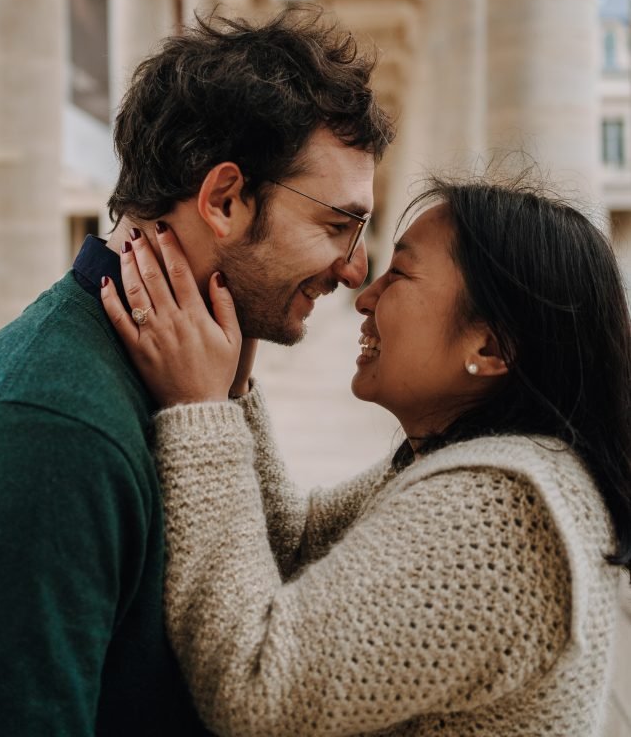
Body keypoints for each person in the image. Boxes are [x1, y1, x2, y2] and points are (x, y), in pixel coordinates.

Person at [0, 9, 393, 736]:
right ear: (223, 200)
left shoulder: (183, 384)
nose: (354, 270)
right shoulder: (50, 432)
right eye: (336, 226)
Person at [103, 174, 631, 737]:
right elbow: (297, 547)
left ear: (491, 346)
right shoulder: (475, 458)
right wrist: (230, 385)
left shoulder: (506, 512)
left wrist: (199, 410)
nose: (364, 296)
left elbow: (258, 684)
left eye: (398, 274)